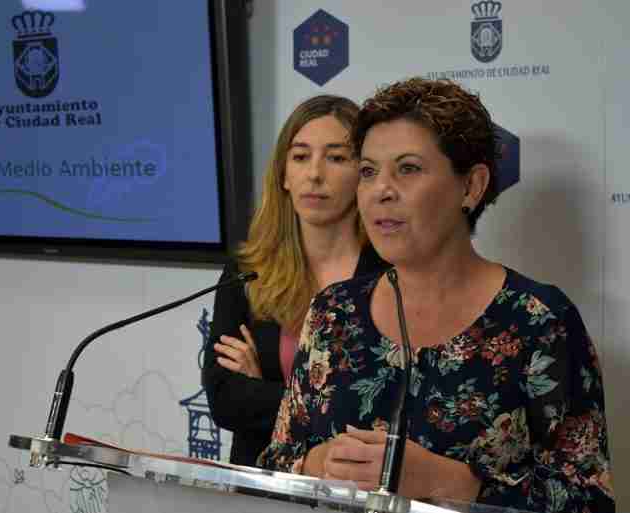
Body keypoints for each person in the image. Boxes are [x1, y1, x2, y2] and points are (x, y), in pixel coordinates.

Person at [258, 78, 614, 513]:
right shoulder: (334, 312)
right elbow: (275, 464)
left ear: (471, 186)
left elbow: (589, 500)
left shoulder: (539, 321)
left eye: (408, 169)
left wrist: (452, 483)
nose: (381, 190)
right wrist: (318, 463)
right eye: (368, 171)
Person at [202, 95, 388, 467]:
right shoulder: (248, 270)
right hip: (260, 481)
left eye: (336, 158)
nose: (314, 174)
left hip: (350, 482)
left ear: (363, 173)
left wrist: (264, 390)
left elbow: (374, 411)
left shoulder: (389, 275)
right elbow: (225, 400)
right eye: (301, 157)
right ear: (284, 175)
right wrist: (317, 404)